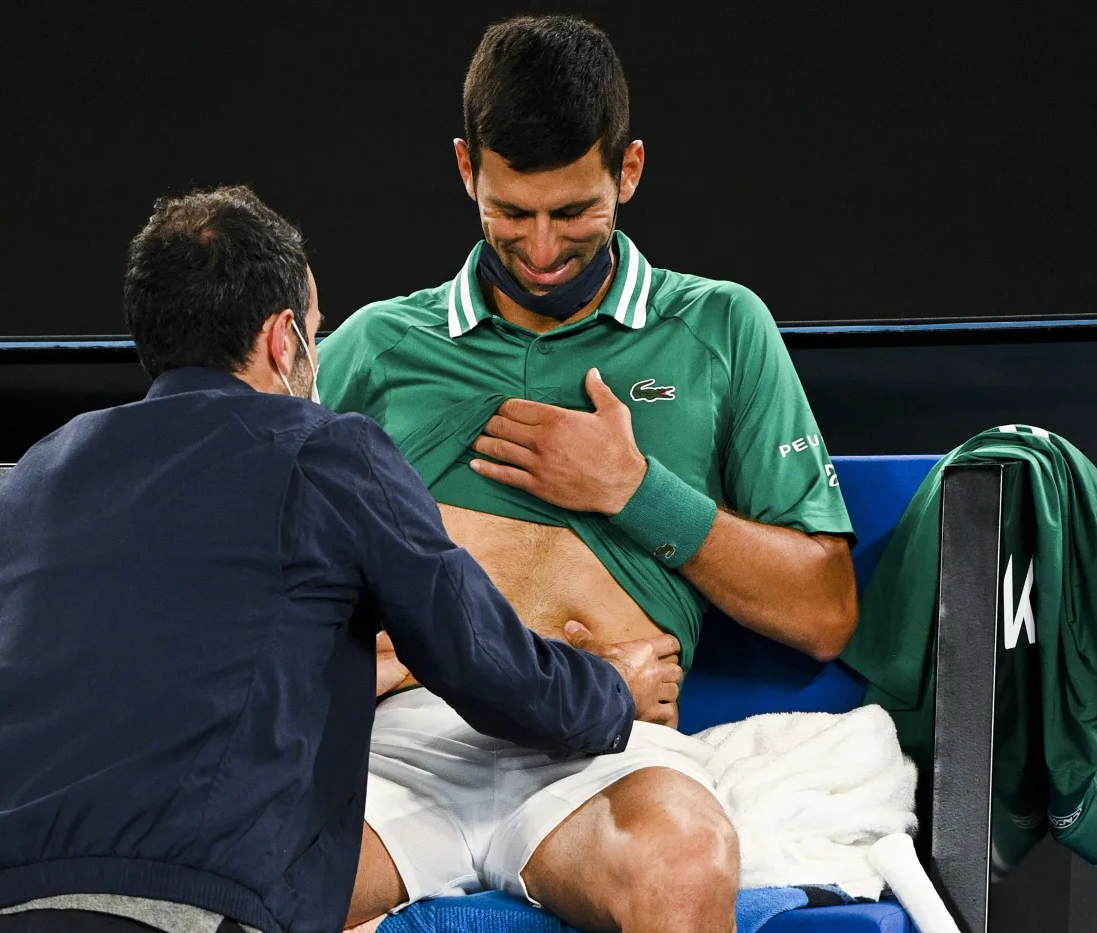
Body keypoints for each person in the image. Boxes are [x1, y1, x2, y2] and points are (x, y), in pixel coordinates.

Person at [0, 186, 682, 933]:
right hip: (175, 902)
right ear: (285, 341)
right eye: (316, 325)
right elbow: (486, 665)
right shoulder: (324, 452)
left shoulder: (26, 482)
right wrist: (614, 689)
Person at [318, 16, 858, 933]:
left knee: (684, 866)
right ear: (466, 171)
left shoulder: (722, 327)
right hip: (401, 746)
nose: (538, 248)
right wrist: (375, 661)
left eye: (572, 212)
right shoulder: (372, 346)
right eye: (510, 212)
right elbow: (246, 574)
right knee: (233, 867)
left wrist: (634, 489)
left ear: (630, 170)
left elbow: (825, 611)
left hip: (608, 750)